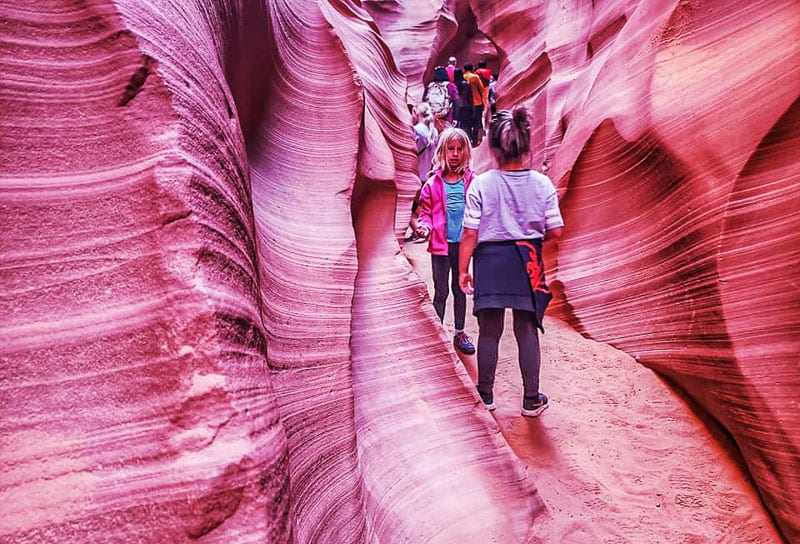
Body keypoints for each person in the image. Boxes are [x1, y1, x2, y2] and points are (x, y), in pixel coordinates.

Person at [458, 106, 564, 417]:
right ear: (527, 146)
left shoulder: (481, 183)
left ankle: (486, 393)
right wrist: (533, 239)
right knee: (526, 330)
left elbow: (469, 233)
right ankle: (531, 399)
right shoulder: (542, 184)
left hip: (490, 260)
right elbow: (556, 230)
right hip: (526, 258)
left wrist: (464, 269)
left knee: (489, 331)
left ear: (492, 147)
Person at [415, 127, 477, 355]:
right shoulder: (432, 184)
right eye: (450, 149)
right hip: (440, 247)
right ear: (442, 151)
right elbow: (425, 213)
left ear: (466, 152)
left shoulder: (471, 181)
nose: (455, 154)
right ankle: (437, 334)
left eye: (460, 149)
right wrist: (424, 227)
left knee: (460, 289)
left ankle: (459, 332)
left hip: (462, 246)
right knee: (440, 291)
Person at [404, 102, 439, 242]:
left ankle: (420, 230)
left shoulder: (416, 130)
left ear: (417, 114)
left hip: (416, 173)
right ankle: (424, 228)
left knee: (410, 205)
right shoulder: (434, 131)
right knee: (422, 204)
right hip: (428, 174)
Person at [462, 63, 486, 146]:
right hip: (477, 102)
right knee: (478, 121)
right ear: (472, 69)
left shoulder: (463, 77)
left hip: (466, 104)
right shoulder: (475, 77)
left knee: (468, 122)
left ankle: (469, 138)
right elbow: (482, 88)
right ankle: (478, 140)